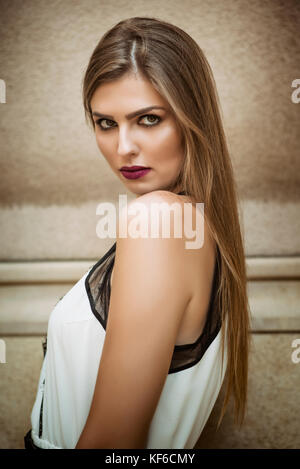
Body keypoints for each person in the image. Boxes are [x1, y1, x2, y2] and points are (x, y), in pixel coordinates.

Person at [25, 16, 251, 449]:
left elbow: (112, 445)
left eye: (147, 119)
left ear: (192, 119)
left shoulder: (158, 222)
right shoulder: (196, 225)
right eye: (105, 123)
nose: (122, 147)